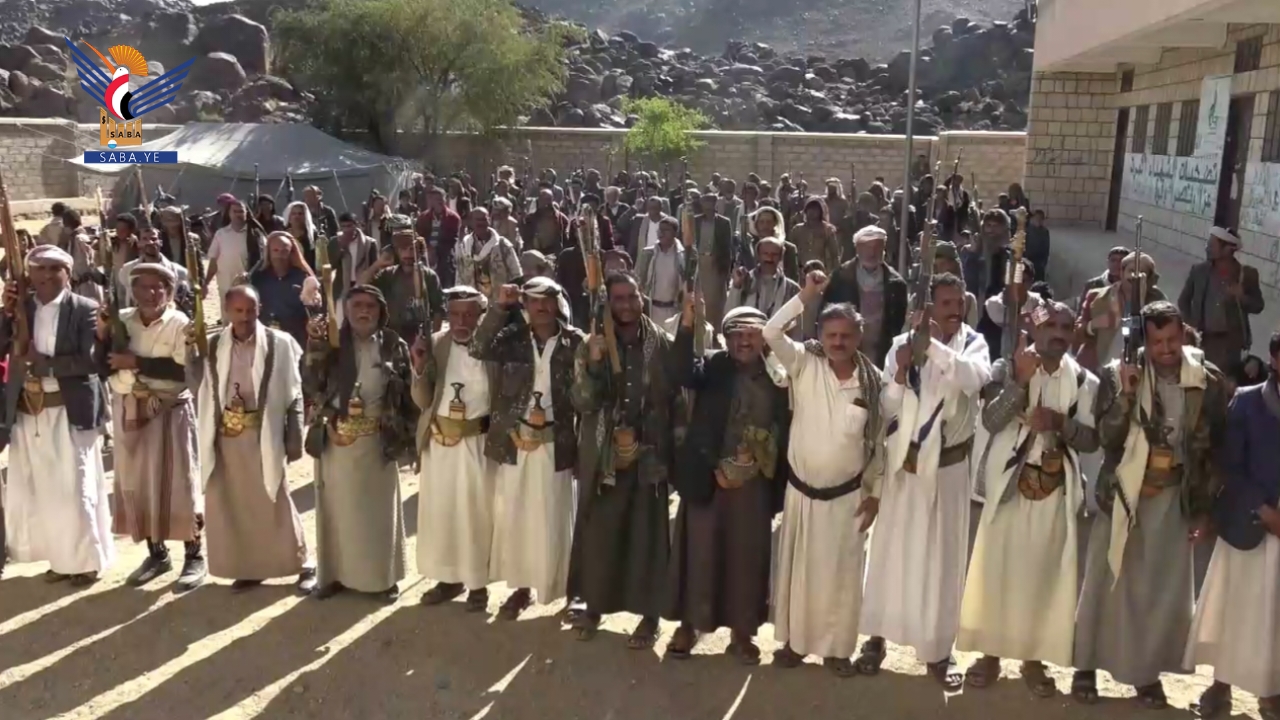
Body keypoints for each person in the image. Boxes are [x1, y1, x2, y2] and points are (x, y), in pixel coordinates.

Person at [1072, 301, 1227, 708]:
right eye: (1157, 341)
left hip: (1173, 496)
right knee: (1105, 583)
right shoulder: (1118, 374)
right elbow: (1106, 438)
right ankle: (1086, 666)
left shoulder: (1205, 380)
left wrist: (1204, 509)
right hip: (1124, 494)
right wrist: (1126, 395)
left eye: (1172, 339)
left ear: (1183, 334)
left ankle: (1146, 673)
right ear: (1146, 340)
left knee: (1158, 591)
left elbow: (1213, 449)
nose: (1166, 349)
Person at [859, 272, 993, 689]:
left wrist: (931, 346)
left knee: (942, 561)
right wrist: (901, 370)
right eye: (946, 303)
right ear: (930, 306)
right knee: (890, 552)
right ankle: (876, 638)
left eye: (959, 302)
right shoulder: (901, 344)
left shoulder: (974, 344)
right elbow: (887, 405)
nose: (955, 310)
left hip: (949, 470)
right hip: (906, 464)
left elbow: (972, 379)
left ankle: (937, 650)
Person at [958, 301, 1100, 695]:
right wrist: (1019, 383)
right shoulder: (1006, 369)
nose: (1058, 333)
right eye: (1050, 325)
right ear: (1034, 329)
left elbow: (1092, 440)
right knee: (998, 570)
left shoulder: (1084, 382)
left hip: (1054, 489)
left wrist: (1060, 423)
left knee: (1042, 575)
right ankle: (990, 654)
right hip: (1008, 485)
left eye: (1066, 327)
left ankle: (1033, 660)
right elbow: (991, 421)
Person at [757, 275, 885, 675]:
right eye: (831, 335)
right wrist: (805, 295)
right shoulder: (803, 363)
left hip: (848, 500)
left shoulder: (874, 383)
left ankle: (836, 651)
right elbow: (770, 332)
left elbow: (879, 445)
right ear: (820, 335)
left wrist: (875, 494)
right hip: (801, 495)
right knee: (800, 575)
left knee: (841, 579)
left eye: (846, 335)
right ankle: (796, 645)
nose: (838, 342)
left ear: (859, 337)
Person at [568, 272, 693, 648]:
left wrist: (675, 453)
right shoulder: (591, 344)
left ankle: (649, 617)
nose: (626, 305)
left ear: (642, 298)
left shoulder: (661, 343)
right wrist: (594, 364)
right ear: (608, 302)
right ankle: (594, 607)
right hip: (605, 455)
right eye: (618, 298)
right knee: (600, 533)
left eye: (632, 297)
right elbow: (582, 402)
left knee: (648, 537)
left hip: (649, 454)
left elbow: (678, 399)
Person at [665, 305, 792, 664]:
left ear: (764, 339)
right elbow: (680, 371)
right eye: (736, 334)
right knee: (699, 555)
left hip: (754, 484)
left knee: (746, 558)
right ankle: (689, 626)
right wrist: (687, 324)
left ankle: (742, 633)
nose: (743, 341)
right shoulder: (713, 365)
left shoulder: (779, 374)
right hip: (708, 478)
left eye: (751, 334)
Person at [469, 279, 585, 619]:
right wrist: (499, 307)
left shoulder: (576, 341)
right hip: (515, 441)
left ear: (558, 303)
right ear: (526, 305)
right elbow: (478, 348)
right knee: (517, 517)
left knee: (556, 517)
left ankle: (571, 590)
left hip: (557, 443)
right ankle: (522, 589)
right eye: (534, 301)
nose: (542, 307)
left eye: (548, 300)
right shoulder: (511, 338)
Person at [0, 245, 112, 586]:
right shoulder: (22, 309)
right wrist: (6, 314)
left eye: (54, 268)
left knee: (75, 487)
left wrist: (43, 364)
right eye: (40, 269)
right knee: (44, 490)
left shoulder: (84, 309)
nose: (47, 275)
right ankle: (62, 559)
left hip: (69, 410)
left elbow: (90, 361)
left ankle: (86, 561)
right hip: (29, 412)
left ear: (68, 273)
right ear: (29, 274)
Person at [193, 285, 315, 594]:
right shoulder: (213, 345)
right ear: (226, 311)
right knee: (234, 503)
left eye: (250, 310)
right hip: (226, 437)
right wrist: (189, 352)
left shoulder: (279, 343)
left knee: (274, 499)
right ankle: (250, 567)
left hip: (264, 434)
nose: (245, 317)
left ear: (259, 309)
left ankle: (303, 563)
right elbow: (199, 386)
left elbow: (293, 393)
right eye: (238, 311)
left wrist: (294, 435)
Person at [1187, 331, 1280, 719]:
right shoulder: (1246, 401)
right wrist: (1264, 509)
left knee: (1274, 616)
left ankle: (1271, 692)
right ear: (1275, 357)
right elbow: (1230, 465)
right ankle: (1220, 685)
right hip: (1248, 523)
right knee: (1233, 609)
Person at [304, 284, 416, 602]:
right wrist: (315, 344)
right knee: (336, 512)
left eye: (371, 305)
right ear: (347, 311)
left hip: (378, 441)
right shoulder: (332, 343)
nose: (364, 311)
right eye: (357, 306)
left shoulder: (393, 345)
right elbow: (310, 383)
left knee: (378, 514)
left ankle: (382, 580)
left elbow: (408, 393)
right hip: (337, 438)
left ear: (381, 311)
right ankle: (334, 576)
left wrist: (408, 439)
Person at [101, 263, 204, 591]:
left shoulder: (179, 323)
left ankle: (194, 556)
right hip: (131, 410)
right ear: (133, 290)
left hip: (170, 411)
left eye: (159, 287)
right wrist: (102, 333)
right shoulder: (122, 320)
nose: (151, 293)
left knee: (181, 484)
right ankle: (157, 554)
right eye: (144, 286)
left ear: (169, 291)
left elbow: (184, 371)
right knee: (138, 483)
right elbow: (102, 363)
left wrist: (136, 363)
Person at [413, 286, 498, 611]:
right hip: (439, 446)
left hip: (478, 444)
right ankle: (448, 580)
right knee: (443, 513)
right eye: (455, 314)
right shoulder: (436, 344)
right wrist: (420, 366)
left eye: (469, 314)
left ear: (481, 316)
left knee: (475, 516)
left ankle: (478, 584)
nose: (461, 321)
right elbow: (422, 400)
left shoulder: (493, 347)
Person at [1177, 226, 1265, 378]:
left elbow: (1258, 306)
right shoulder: (1199, 271)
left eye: (1212, 245)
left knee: (1225, 382)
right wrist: (1191, 327)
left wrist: (1241, 296)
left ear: (1228, 250)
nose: (1207, 248)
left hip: (1230, 345)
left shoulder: (1246, 274)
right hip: (1203, 340)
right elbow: (1183, 301)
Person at [821, 225, 909, 366]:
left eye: (877, 247)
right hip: (845, 351)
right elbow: (825, 315)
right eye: (867, 247)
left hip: (881, 354)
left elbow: (899, 323)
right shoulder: (840, 278)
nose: (872, 253)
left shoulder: (896, 284)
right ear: (857, 248)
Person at [1076, 251, 1165, 373]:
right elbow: (1077, 333)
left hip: (1140, 369)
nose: (1135, 277)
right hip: (1099, 368)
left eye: (1142, 273)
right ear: (1122, 273)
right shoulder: (1098, 297)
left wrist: (1141, 302)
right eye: (1131, 271)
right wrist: (1093, 325)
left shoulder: (1157, 300)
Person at [359, 224, 445, 348]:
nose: (408, 254)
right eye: (404, 249)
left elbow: (438, 311)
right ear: (398, 252)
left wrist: (433, 341)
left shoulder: (429, 276)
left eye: (412, 249)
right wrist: (378, 264)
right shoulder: (388, 274)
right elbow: (361, 285)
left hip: (419, 338)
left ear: (418, 252)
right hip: (392, 337)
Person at [725, 234, 800, 334]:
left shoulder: (792, 289)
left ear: (781, 257)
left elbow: (796, 326)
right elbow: (729, 314)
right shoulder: (745, 281)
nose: (769, 258)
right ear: (758, 256)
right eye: (765, 253)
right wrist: (736, 286)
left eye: (774, 254)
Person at [250, 232, 314, 347]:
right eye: (275, 250)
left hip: (295, 340)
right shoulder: (257, 278)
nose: (279, 255)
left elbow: (315, 310)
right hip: (265, 337)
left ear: (291, 253)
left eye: (284, 251)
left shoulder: (303, 278)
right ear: (268, 252)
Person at [457, 207, 523, 304]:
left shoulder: (502, 245)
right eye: (477, 220)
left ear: (489, 220)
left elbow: (516, 274)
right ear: (471, 222)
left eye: (483, 219)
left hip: (500, 303)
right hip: (474, 303)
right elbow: (459, 276)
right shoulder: (464, 246)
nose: (481, 223)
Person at [119, 226, 190, 309]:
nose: (150, 242)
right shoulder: (127, 270)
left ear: (161, 242)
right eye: (145, 239)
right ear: (139, 243)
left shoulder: (179, 272)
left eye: (154, 239)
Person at [206, 200, 265, 299]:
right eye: (235, 211)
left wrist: (250, 274)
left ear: (246, 213)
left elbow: (263, 258)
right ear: (229, 213)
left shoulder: (256, 235)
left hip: (249, 288)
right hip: (225, 287)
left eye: (241, 211)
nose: (238, 214)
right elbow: (213, 262)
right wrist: (206, 283)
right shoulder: (220, 234)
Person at [634, 217, 686, 326]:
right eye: (660, 229)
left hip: (673, 311)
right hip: (651, 310)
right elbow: (637, 280)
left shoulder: (682, 257)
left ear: (675, 233)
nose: (661, 233)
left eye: (666, 230)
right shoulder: (648, 254)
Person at [414, 188, 463, 288]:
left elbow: (452, 240)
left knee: (445, 286)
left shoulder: (453, 218)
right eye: (436, 199)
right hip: (426, 255)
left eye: (441, 198)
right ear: (431, 201)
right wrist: (428, 249)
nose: (439, 201)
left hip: (445, 257)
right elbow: (419, 236)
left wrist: (436, 250)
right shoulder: (423, 218)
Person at [786, 197, 841, 274]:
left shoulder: (828, 230)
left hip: (822, 270)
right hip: (800, 270)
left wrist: (835, 273)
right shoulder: (797, 230)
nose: (812, 211)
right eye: (810, 208)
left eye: (815, 209)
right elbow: (790, 251)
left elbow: (834, 254)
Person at [521, 189, 570, 257]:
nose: (545, 203)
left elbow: (565, 239)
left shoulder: (561, 218)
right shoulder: (530, 219)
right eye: (543, 199)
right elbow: (526, 238)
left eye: (547, 199)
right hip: (536, 254)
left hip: (554, 254)